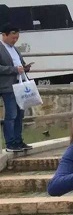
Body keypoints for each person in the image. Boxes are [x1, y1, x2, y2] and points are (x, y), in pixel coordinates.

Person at [0, 24, 32, 152]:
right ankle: (10, 143)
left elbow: (19, 63)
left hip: (20, 84)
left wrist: (25, 67)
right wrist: (14, 70)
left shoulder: (15, 49)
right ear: (4, 35)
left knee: (20, 115)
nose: (15, 40)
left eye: (17, 38)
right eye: (13, 38)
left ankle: (18, 141)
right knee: (11, 114)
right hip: (8, 86)